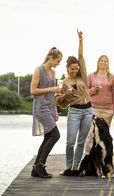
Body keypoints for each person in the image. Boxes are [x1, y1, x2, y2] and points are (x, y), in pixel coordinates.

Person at [57, 29, 93, 173]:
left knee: (81, 141)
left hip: (88, 111)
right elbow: (60, 102)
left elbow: (80, 55)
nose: (74, 71)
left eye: (76, 69)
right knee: (70, 141)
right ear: (67, 68)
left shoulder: (82, 77)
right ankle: (68, 167)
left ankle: (76, 166)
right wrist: (66, 93)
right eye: (72, 69)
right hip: (75, 112)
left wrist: (80, 40)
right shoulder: (64, 82)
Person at [31, 47, 63, 178]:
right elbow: (33, 90)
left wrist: (55, 111)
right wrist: (51, 88)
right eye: (58, 60)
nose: (58, 63)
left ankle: (35, 169)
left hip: (49, 107)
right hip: (40, 108)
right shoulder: (39, 70)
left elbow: (52, 94)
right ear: (51, 58)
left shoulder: (53, 72)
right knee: (55, 135)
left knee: (48, 137)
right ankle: (40, 165)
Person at [88, 55, 114, 127]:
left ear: (108, 64)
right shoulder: (91, 76)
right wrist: (94, 89)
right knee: (91, 134)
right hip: (93, 109)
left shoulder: (112, 77)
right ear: (98, 63)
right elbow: (85, 92)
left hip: (107, 111)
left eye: (105, 61)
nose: (103, 62)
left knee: (104, 135)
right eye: (101, 61)